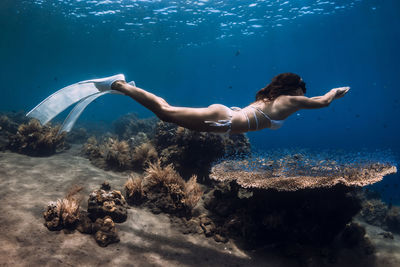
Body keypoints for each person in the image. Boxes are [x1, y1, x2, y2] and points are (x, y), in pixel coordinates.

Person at [110, 72, 350, 134]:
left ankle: (129, 88)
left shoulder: (272, 99)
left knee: (167, 113)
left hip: (226, 118)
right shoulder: (291, 99)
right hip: (224, 120)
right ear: (295, 87)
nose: (303, 93)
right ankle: (121, 86)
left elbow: (251, 113)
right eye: (302, 89)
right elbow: (322, 102)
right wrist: (334, 91)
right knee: (165, 112)